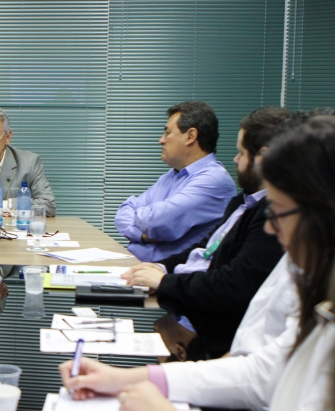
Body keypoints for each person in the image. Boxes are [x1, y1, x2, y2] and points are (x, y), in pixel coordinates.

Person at [60, 116, 335, 411]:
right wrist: (126, 379)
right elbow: (262, 371)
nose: (271, 230)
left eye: (278, 212)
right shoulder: (318, 286)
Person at [124, 107, 291, 360]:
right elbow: (204, 247)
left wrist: (163, 280)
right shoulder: (241, 202)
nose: (234, 159)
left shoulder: (261, 209)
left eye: (241, 152)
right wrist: (160, 268)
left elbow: (234, 284)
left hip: (210, 324)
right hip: (191, 299)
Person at [115, 101, 236, 262]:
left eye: (167, 133)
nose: (161, 140)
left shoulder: (214, 181)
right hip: (137, 266)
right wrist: (142, 235)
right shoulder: (171, 176)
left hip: (168, 276)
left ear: (190, 136)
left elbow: (157, 222)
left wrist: (142, 216)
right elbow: (125, 209)